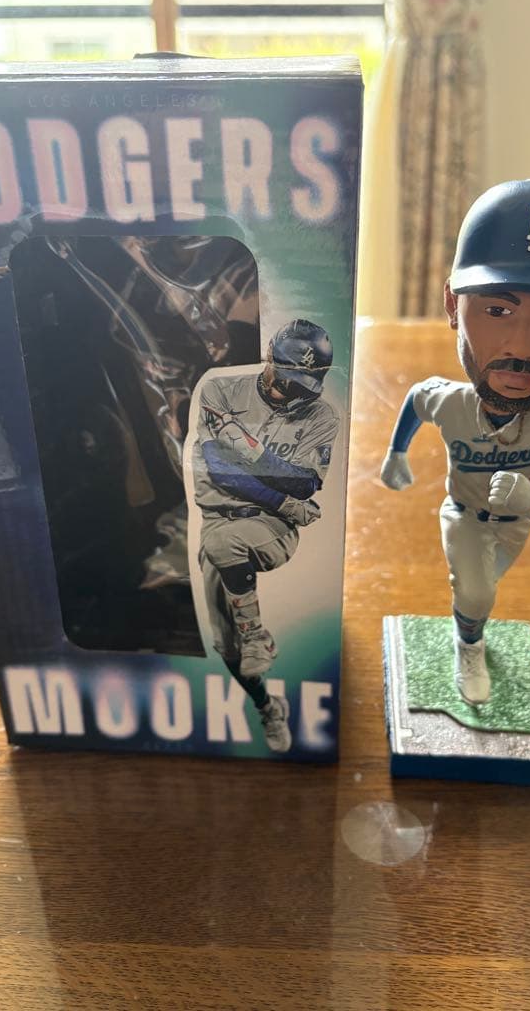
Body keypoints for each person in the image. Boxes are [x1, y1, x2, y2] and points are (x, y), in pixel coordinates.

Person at [381, 180, 530, 705]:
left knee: (481, 592)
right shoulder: (453, 403)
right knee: (476, 591)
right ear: (452, 304)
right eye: (497, 310)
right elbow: (418, 398)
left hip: (513, 529)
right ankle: (470, 647)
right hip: (464, 514)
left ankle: (470, 628)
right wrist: (397, 452)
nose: (522, 346)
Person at [192, 319, 339, 751]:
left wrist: (246, 447)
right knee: (226, 647)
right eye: (286, 377)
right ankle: (267, 707)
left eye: (302, 384)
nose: (289, 391)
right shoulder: (220, 391)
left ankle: (257, 635)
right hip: (225, 516)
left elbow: (304, 483)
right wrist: (283, 497)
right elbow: (219, 469)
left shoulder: (322, 415)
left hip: (271, 528)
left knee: (223, 543)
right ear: (268, 357)